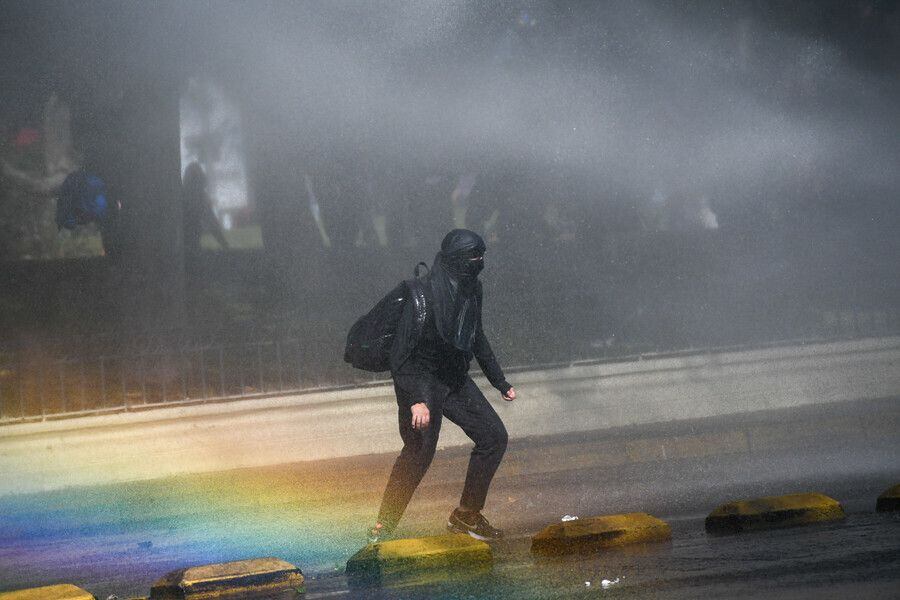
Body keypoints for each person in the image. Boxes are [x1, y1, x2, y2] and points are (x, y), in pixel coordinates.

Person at [369, 229, 516, 543]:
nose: (480, 262)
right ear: (456, 259)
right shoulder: (423, 294)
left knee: (493, 437)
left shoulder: (471, 288)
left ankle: (466, 516)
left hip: (453, 378)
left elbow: (476, 335)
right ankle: (384, 526)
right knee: (419, 452)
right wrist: (415, 400)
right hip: (422, 382)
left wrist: (499, 381)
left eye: (482, 256)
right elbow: (401, 354)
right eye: (474, 257)